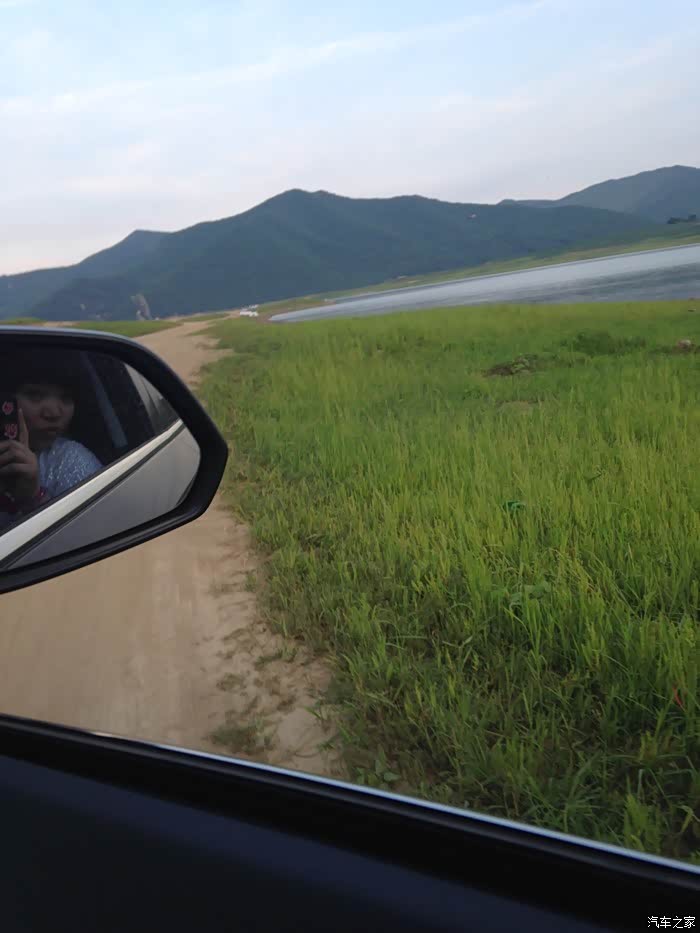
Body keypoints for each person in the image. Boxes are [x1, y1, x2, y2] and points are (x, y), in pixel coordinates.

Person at [0, 350, 102, 531]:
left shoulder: (71, 459)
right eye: (35, 395)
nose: (54, 413)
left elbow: (89, 531)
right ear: (5, 401)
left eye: (66, 397)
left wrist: (33, 496)